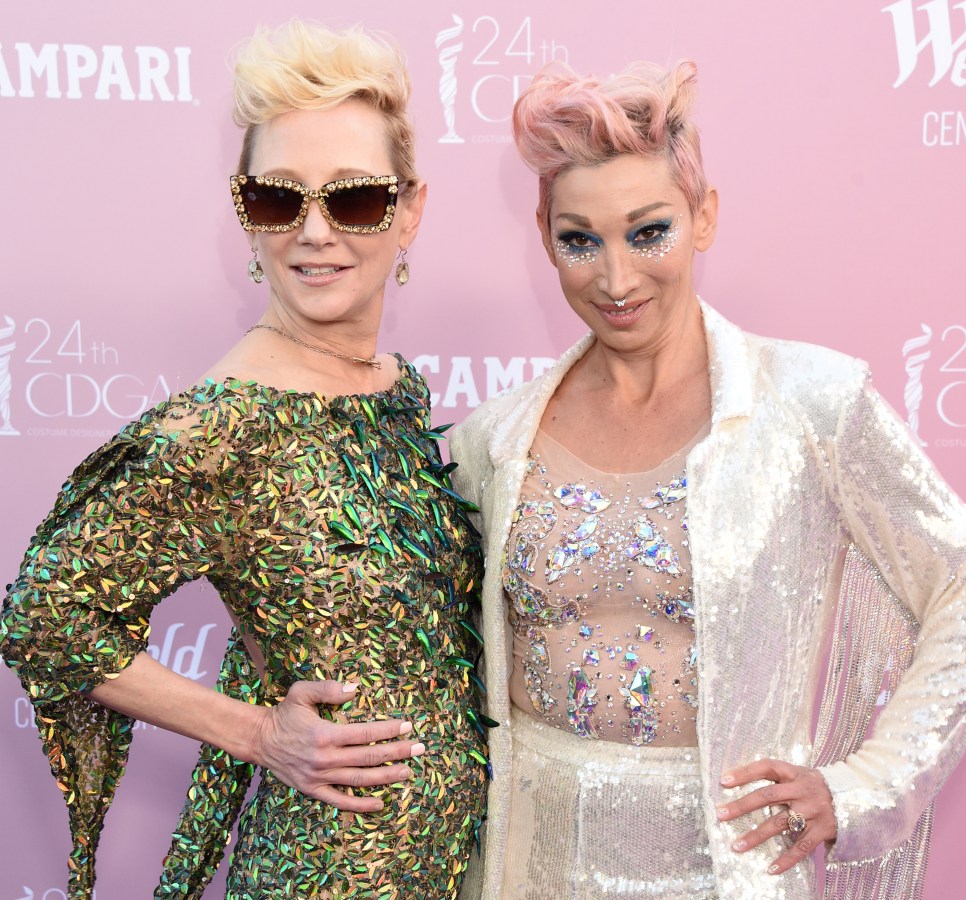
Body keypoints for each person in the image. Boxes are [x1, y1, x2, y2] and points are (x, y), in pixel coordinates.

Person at [450, 59, 966, 899]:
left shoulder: (808, 405)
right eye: (581, 240)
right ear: (545, 236)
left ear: (704, 217)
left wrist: (864, 785)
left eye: (646, 231)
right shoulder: (491, 442)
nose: (616, 280)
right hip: (524, 871)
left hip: (724, 873)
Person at [1, 21, 487, 899]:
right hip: (326, 875)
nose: (313, 232)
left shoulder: (389, 387)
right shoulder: (228, 424)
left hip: (458, 865)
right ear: (243, 209)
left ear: (411, 208)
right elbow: (46, 616)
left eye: (353, 198)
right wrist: (257, 733)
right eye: (277, 198)